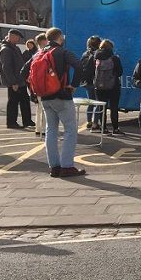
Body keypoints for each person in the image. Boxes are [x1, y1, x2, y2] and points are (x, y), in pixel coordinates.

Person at [38, 27, 85, 177]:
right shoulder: (63, 52)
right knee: (70, 129)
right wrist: (74, 85)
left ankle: (54, 167)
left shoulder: (39, 53)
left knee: (51, 130)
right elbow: (79, 66)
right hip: (61, 95)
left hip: (45, 97)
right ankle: (67, 166)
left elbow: (24, 71)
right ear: (60, 38)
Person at [0, 28, 33, 129]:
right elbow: (6, 68)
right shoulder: (6, 50)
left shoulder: (14, 48)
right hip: (14, 81)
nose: (18, 40)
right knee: (13, 102)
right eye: (17, 37)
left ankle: (27, 120)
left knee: (24, 100)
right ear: (12, 37)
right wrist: (13, 82)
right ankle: (11, 122)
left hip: (20, 80)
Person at [93, 39, 124, 134]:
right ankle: (115, 128)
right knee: (114, 107)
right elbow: (120, 72)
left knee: (102, 108)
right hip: (113, 86)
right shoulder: (114, 58)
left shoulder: (96, 58)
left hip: (99, 86)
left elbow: (92, 71)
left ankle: (104, 128)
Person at [20, 33, 49, 135]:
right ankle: (45, 129)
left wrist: (29, 80)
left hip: (36, 86)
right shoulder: (46, 54)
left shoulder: (36, 55)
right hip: (46, 84)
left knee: (39, 107)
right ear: (45, 41)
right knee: (46, 108)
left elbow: (23, 70)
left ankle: (38, 128)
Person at [80, 35, 101, 129]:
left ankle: (88, 121)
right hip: (96, 81)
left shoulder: (85, 54)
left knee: (90, 102)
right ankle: (95, 123)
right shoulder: (98, 54)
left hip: (86, 82)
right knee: (97, 103)